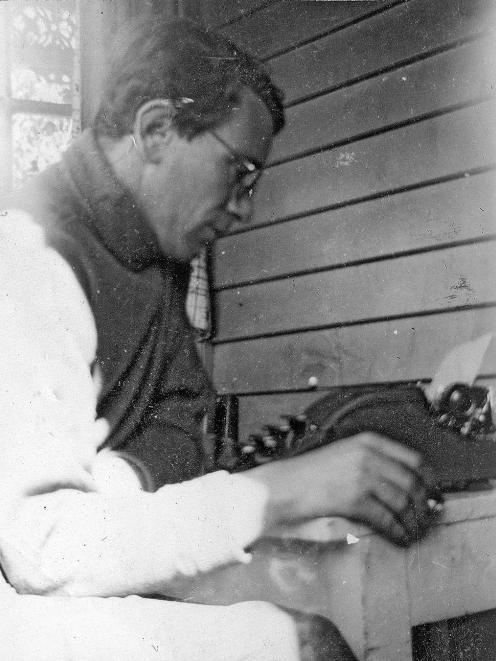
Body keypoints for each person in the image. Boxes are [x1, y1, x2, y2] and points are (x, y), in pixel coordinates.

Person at [0, 17, 438, 660]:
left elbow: (179, 435)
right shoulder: (29, 258)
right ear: (155, 131)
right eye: (239, 173)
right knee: (305, 644)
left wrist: (118, 483)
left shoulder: (145, 254)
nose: (245, 209)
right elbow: (45, 551)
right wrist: (279, 490)